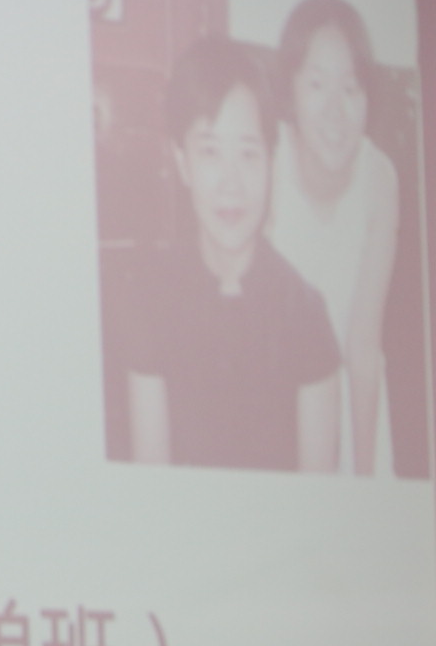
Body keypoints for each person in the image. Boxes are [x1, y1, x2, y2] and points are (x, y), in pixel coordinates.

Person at [122, 34, 342, 472]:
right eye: (209, 152)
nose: (231, 182)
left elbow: (319, 498)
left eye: (247, 154)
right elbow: (150, 485)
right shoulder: (148, 303)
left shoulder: (306, 314)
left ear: (271, 163)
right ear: (182, 163)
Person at [265, 0, 401, 477]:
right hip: (279, 402)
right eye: (317, 85)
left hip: (355, 407)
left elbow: (363, 345)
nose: (335, 111)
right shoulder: (269, 160)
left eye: (351, 89)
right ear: (291, 89)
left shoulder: (379, 178)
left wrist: (362, 478)